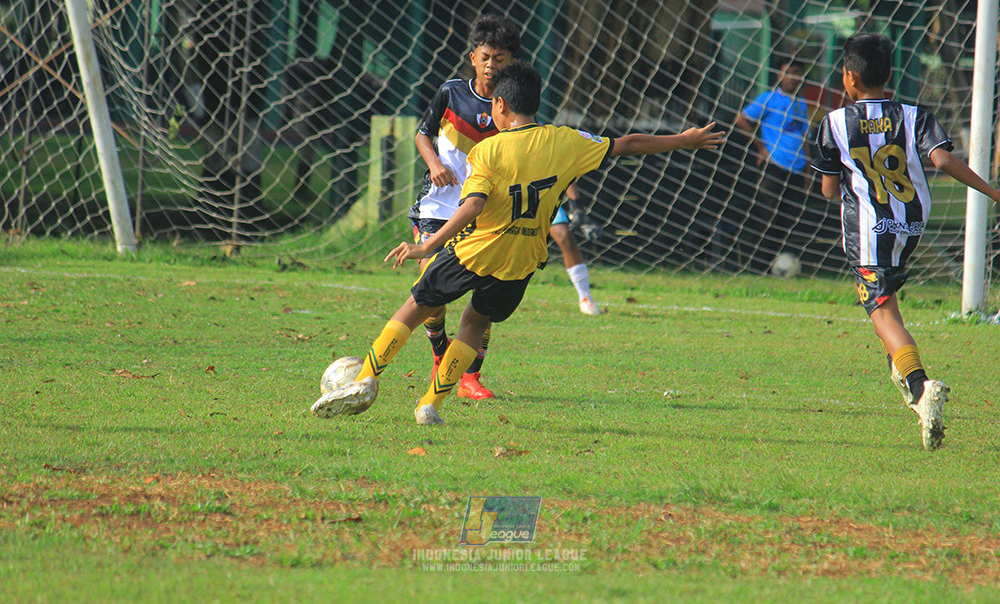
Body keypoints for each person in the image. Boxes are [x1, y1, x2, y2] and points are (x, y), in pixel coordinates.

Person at [311, 61, 724, 425]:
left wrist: (428, 244)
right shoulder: (567, 141)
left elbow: (472, 206)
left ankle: (365, 378)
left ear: (501, 106)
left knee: (418, 303)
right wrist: (682, 140)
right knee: (474, 323)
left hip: (477, 251)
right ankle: (429, 405)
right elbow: (629, 144)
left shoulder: (488, 150)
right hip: (523, 260)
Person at [813, 33, 1000, 451]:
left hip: (867, 232)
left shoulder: (834, 124)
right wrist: (995, 194)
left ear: (848, 78)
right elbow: (945, 160)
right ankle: (903, 376)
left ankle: (920, 387)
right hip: (909, 227)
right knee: (887, 305)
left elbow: (828, 190)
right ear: (890, 75)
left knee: (882, 316)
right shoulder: (915, 115)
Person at [408, 13, 522, 401]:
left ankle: (470, 376)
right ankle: (442, 355)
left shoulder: (513, 105)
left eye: (500, 58)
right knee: (429, 287)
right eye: (486, 56)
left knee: (483, 298)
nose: (492, 65)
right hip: (438, 207)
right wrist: (435, 164)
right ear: (472, 57)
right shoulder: (451, 92)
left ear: (511, 61)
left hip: (485, 214)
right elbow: (423, 134)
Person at [735, 58, 813, 272]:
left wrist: (808, 172)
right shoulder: (768, 99)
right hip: (774, 166)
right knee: (767, 216)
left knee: (786, 219)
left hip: (796, 168)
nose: (792, 77)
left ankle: (774, 265)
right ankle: (755, 265)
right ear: (779, 75)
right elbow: (741, 119)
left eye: (797, 72)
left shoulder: (801, 104)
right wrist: (761, 147)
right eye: (788, 72)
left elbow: (805, 136)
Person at [550, 183, 603, 315]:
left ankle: (585, 298)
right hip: (509, 194)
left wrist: (577, 208)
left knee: (565, 236)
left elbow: (568, 171)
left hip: (542, 197)